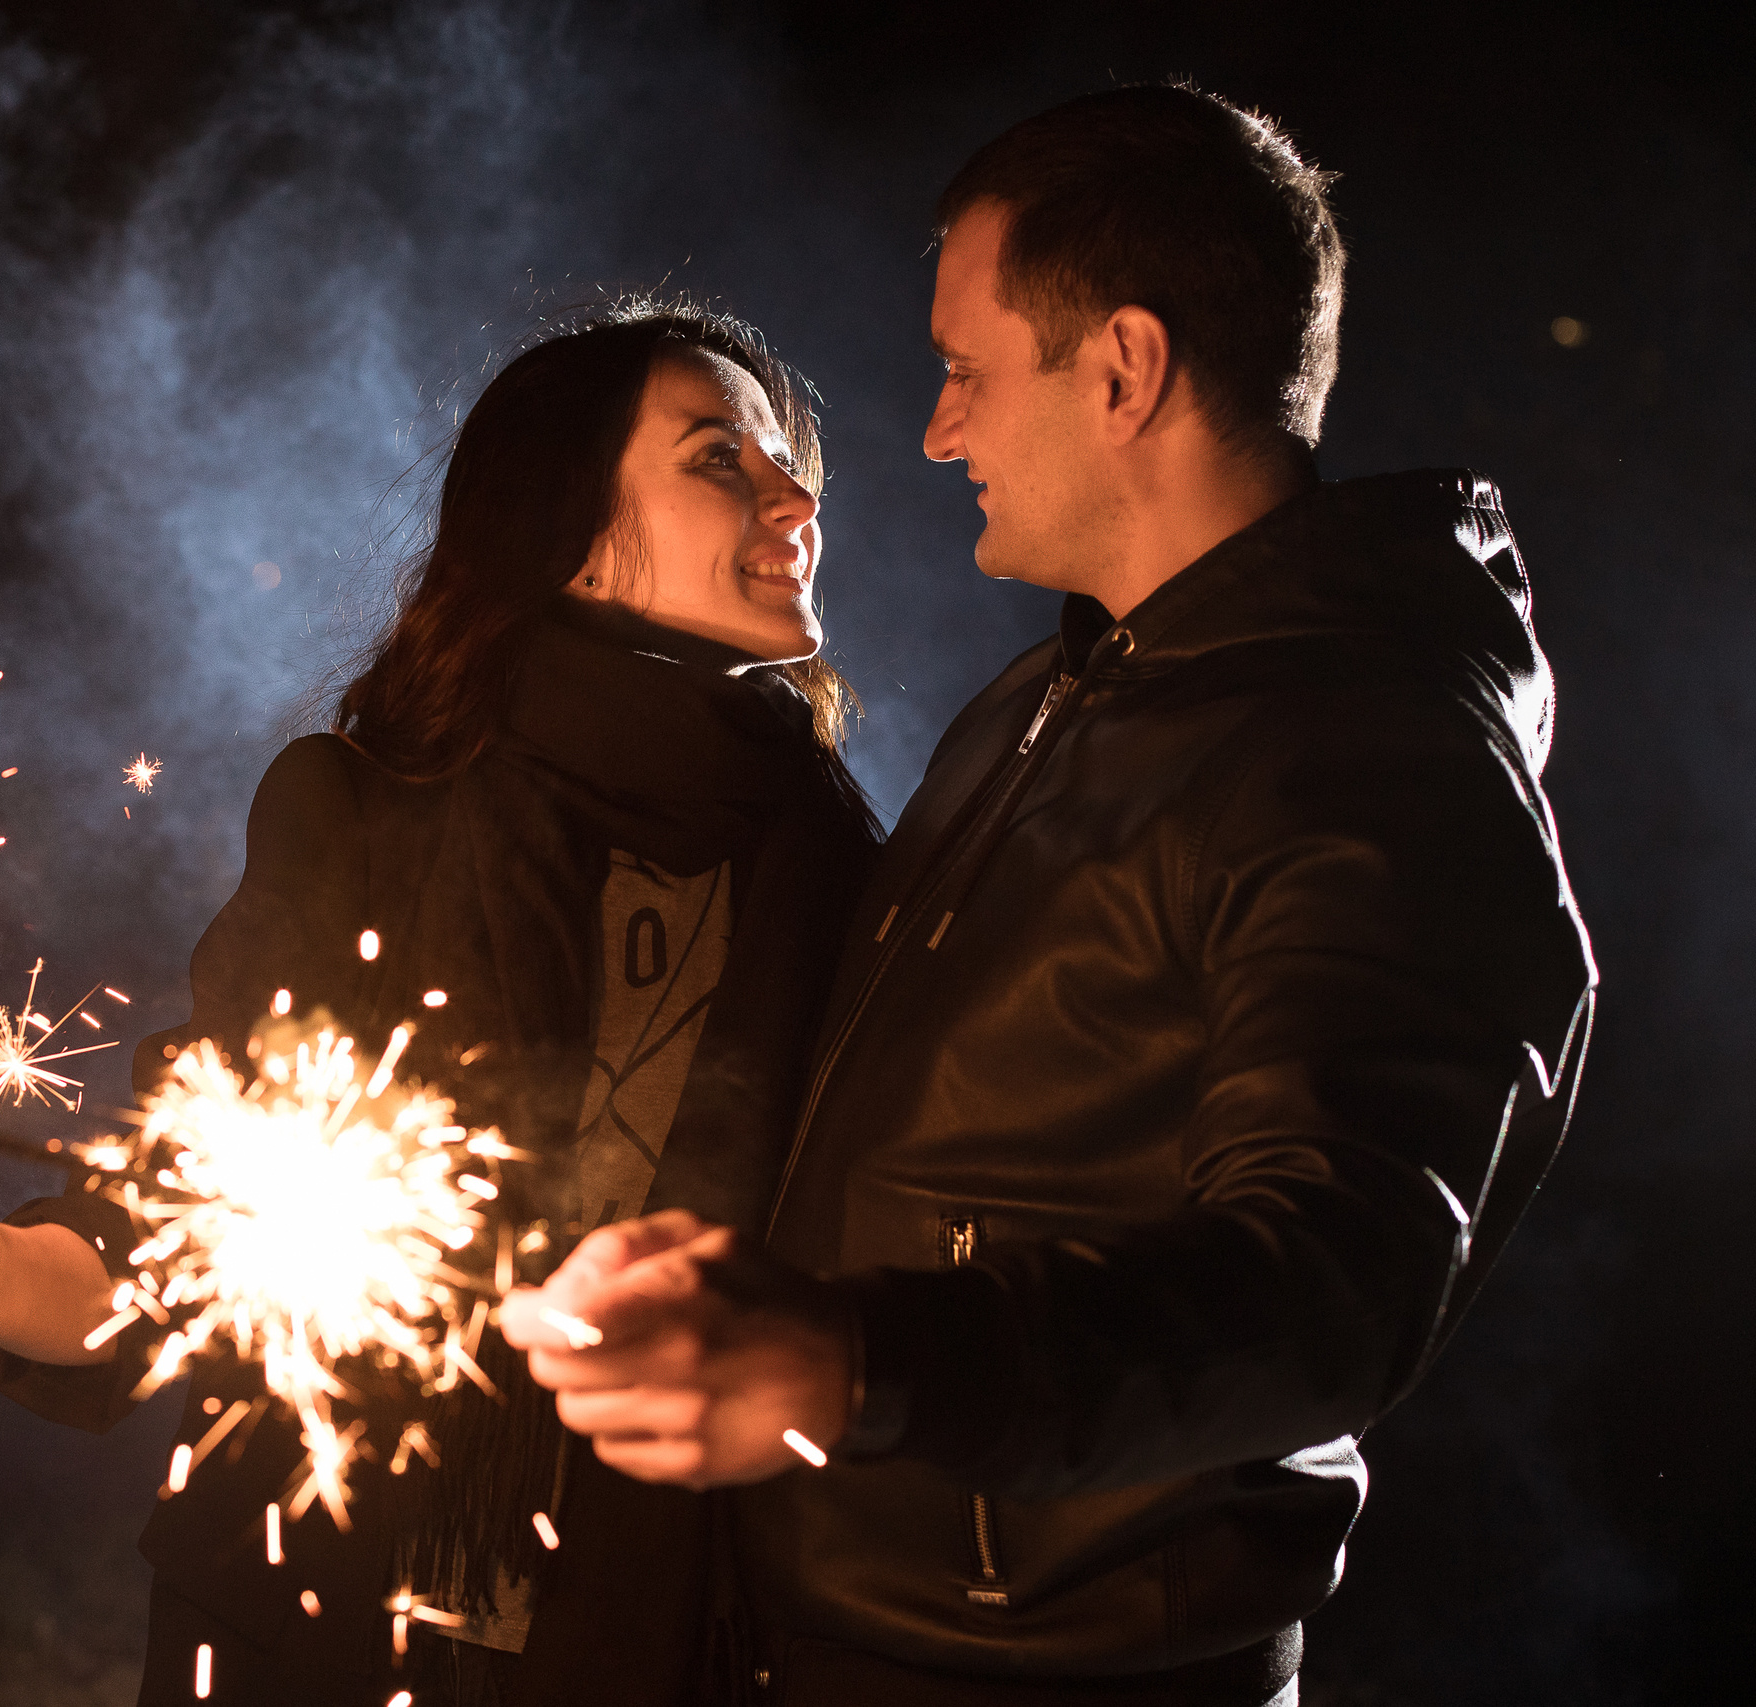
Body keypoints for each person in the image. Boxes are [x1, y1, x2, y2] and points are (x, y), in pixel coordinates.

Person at [502, 84, 1598, 1706]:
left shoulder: (1367, 760)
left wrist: (854, 1363)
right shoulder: (1044, 704)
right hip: (831, 1651)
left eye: (966, 372)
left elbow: (1327, 1288)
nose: (936, 432)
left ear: (1125, 370)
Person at [0, 300, 884, 1705]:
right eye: (717, 460)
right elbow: (193, 1211)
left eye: (787, 462)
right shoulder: (371, 813)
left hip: (659, 1648)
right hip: (310, 1629)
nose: (793, 497)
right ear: (563, 516)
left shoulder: (850, 873)